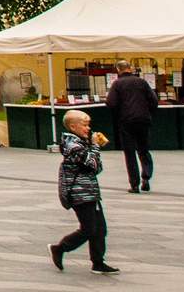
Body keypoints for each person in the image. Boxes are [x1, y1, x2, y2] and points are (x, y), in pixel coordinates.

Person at [50, 110, 119, 275]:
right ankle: (60, 248)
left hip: (90, 192)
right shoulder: (73, 146)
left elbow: (96, 168)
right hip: (79, 193)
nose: (88, 129)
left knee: (100, 228)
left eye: (89, 125)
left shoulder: (82, 143)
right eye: (85, 125)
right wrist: (95, 146)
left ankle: (98, 262)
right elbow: (93, 165)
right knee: (88, 228)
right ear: (73, 127)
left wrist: (92, 147)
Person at [104, 59, 157, 193]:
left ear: (118, 69)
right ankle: (146, 176)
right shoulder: (142, 82)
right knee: (143, 150)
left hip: (126, 120)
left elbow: (111, 103)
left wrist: (120, 111)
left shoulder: (117, 84)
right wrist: (146, 110)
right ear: (131, 68)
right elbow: (154, 100)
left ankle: (134, 184)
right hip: (143, 119)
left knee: (129, 152)